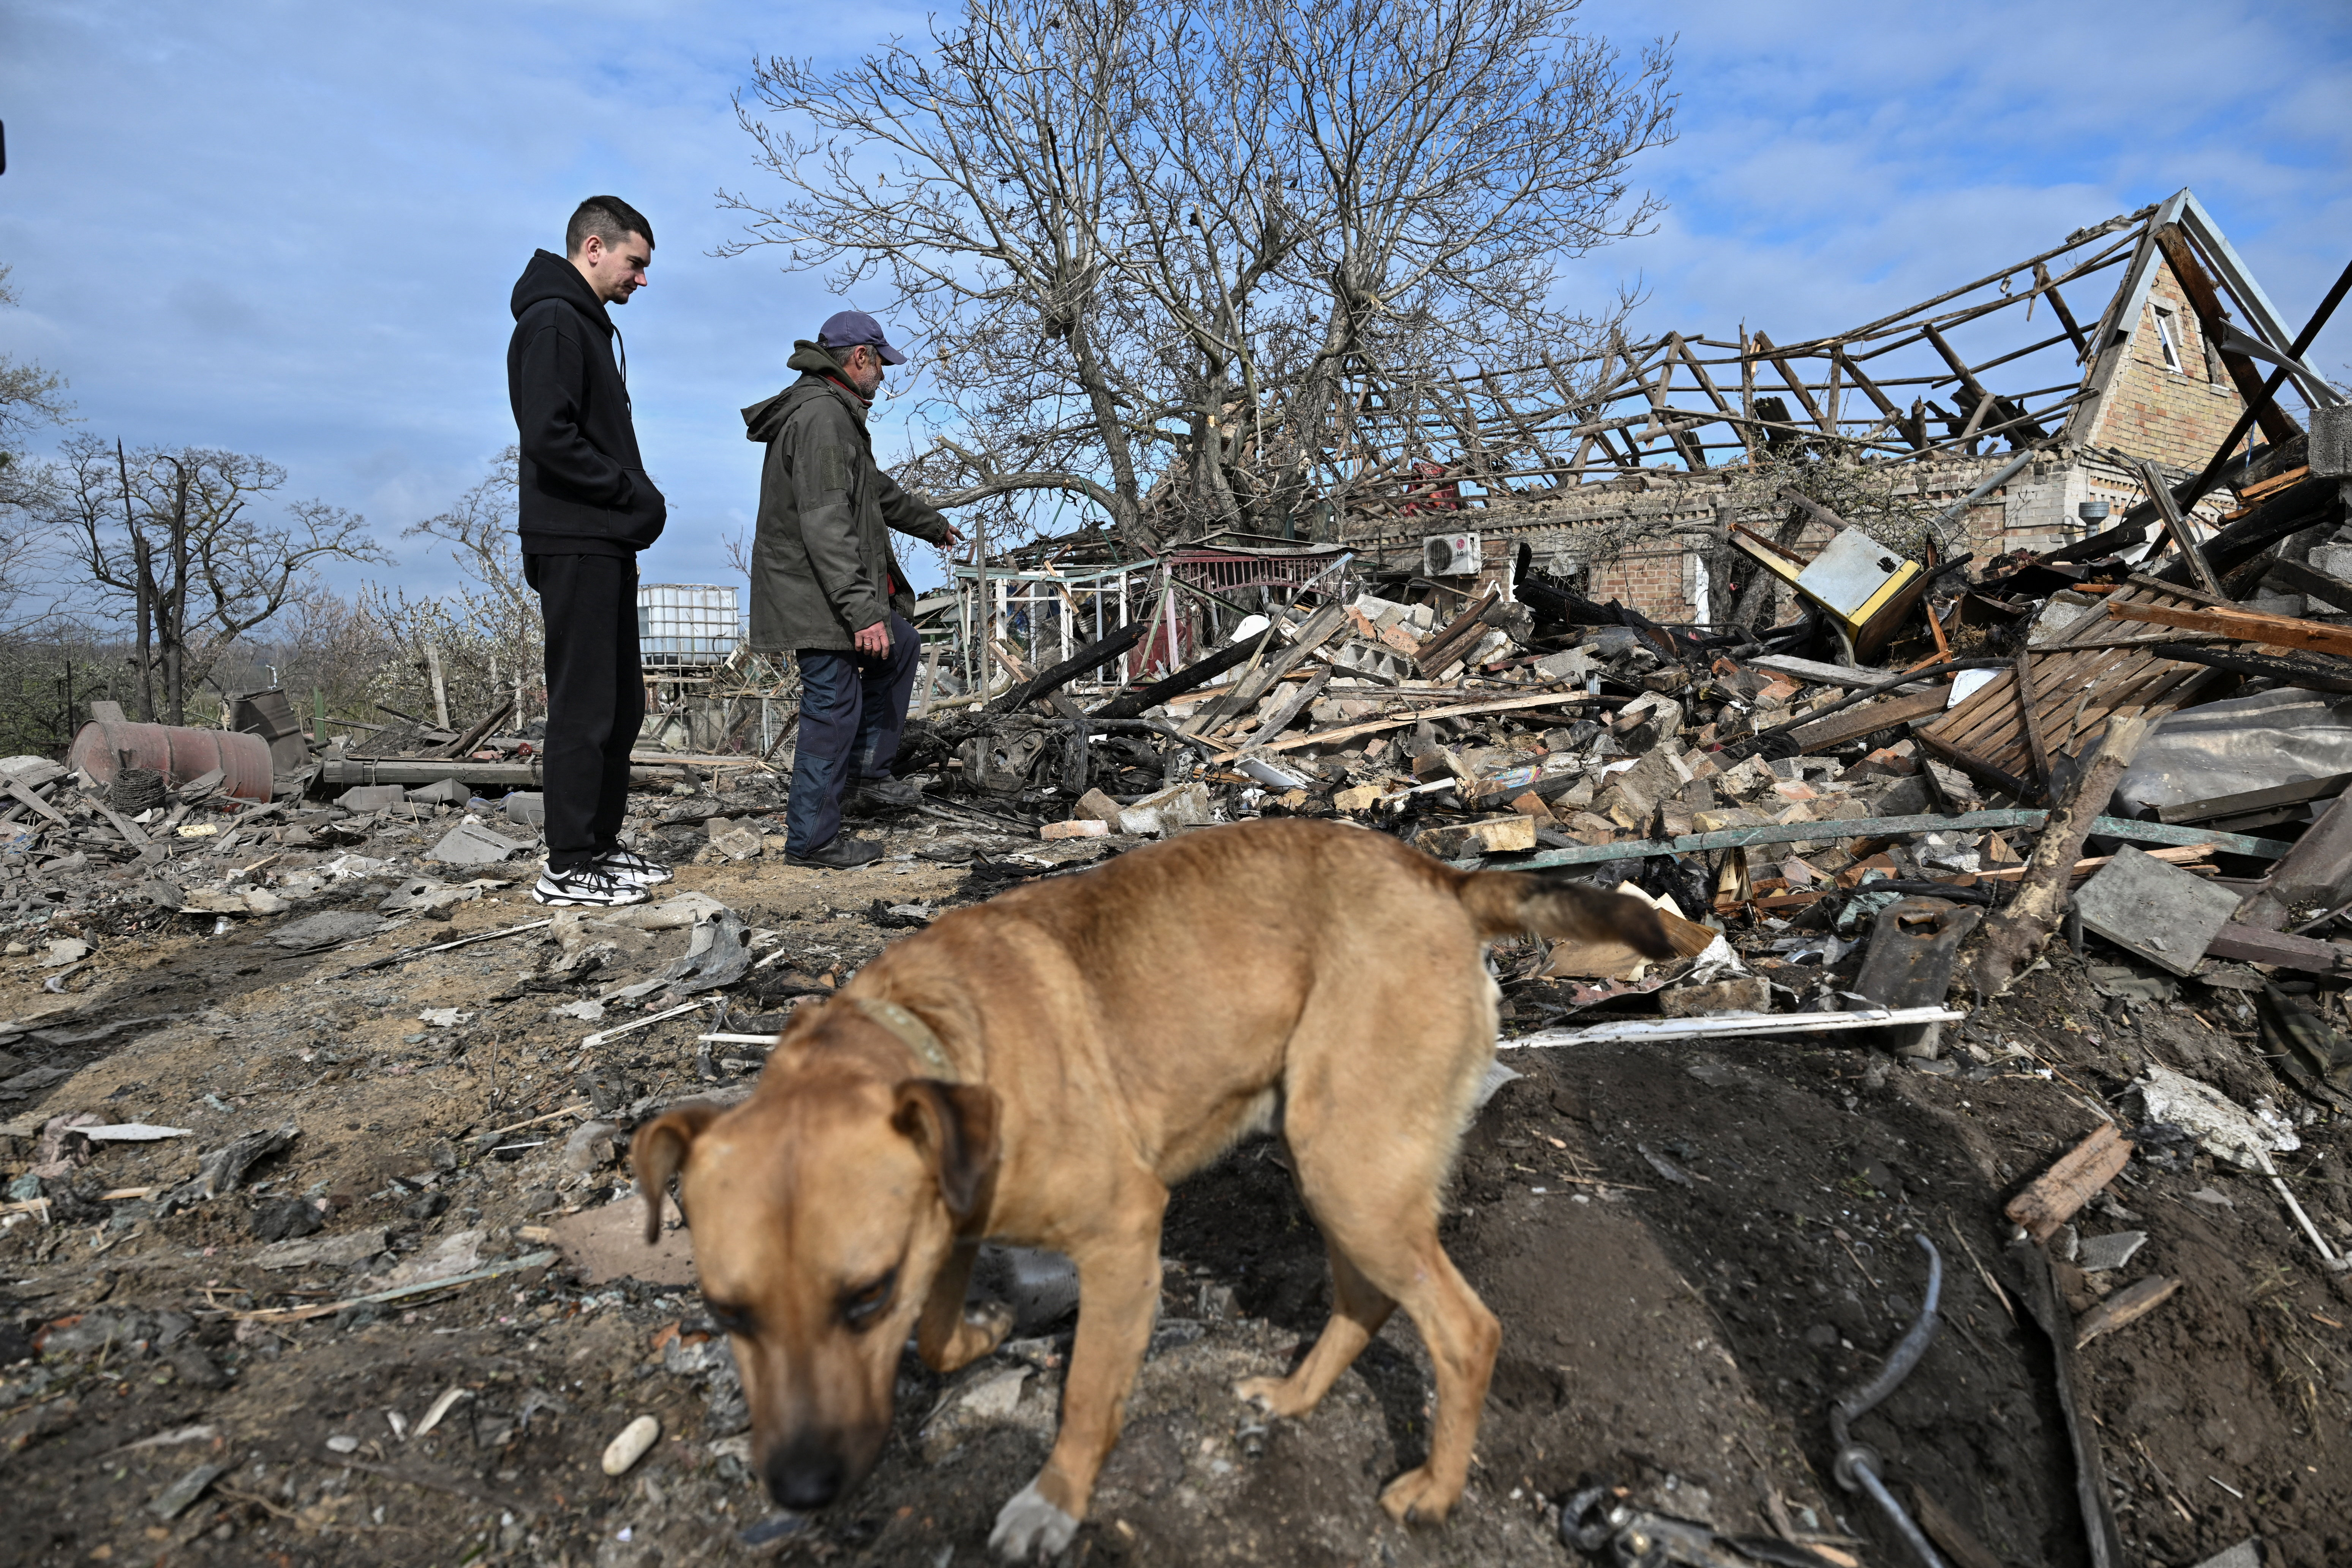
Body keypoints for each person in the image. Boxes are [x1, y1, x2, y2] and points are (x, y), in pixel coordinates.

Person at [743, 311, 963, 868]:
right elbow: (826, 523)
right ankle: (813, 842)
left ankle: (865, 774)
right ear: (859, 357)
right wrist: (863, 612)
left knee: (902, 644)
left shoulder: (835, 412)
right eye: (881, 363)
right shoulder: (822, 416)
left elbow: (874, 491)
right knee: (832, 707)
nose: (884, 375)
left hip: (825, 592)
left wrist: (931, 524)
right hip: (817, 595)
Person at [508, 195, 672, 906]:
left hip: (601, 541)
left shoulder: (585, 324)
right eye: (635, 263)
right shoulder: (553, 321)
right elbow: (549, 436)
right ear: (595, 247)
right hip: (574, 538)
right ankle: (568, 865)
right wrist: (629, 492)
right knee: (584, 705)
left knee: (621, 703)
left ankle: (600, 846)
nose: (642, 278)